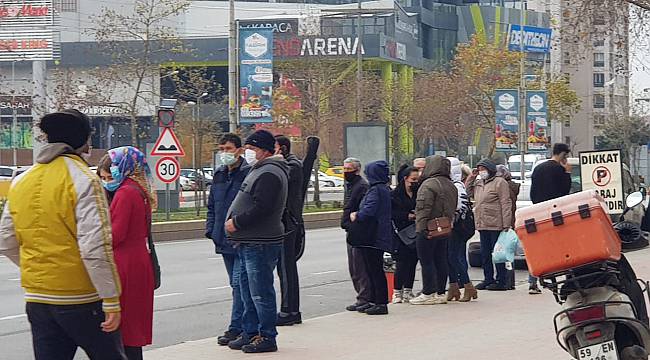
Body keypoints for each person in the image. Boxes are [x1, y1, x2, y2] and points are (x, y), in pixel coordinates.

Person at [0, 109, 126, 359]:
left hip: (37, 298)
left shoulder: (21, 181)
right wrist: (110, 299)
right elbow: (95, 247)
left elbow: (5, 241)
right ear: (84, 141)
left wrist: (38, 270)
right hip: (81, 298)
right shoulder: (84, 180)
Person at [225, 130, 288, 353]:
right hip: (248, 242)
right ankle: (250, 332)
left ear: (264, 150)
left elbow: (263, 207)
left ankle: (267, 336)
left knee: (260, 292)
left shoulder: (270, 172)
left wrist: (237, 222)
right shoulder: (260, 169)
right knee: (247, 290)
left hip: (260, 241)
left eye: (252, 149)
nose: (248, 153)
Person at [97, 146, 156, 360]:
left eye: (108, 175)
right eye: (102, 177)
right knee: (133, 325)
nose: (106, 181)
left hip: (124, 263)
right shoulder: (138, 189)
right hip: (138, 260)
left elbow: (115, 234)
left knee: (123, 326)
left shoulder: (125, 193)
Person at [205, 133, 250, 346]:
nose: (224, 153)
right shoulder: (219, 174)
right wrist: (211, 231)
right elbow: (212, 206)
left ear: (239, 150)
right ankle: (241, 326)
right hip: (222, 239)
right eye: (221, 148)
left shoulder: (248, 173)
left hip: (241, 238)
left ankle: (238, 328)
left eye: (229, 148)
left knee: (240, 283)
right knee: (236, 285)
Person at [410, 156, 458, 305]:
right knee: (441, 259)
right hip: (444, 228)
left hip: (429, 228)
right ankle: (440, 292)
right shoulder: (451, 185)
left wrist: (421, 228)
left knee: (427, 261)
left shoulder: (428, 184)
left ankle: (428, 292)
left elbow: (424, 209)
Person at [349, 160, 392, 315]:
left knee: (374, 269)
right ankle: (375, 301)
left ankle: (380, 302)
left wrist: (356, 215)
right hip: (378, 234)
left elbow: (369, 210)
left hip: (373, 235)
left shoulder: (376, 190)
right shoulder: (383, 188)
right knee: (372, 268)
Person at [528, 143, 572, 294]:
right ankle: (566, 278)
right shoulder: (559, 170)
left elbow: (533, 193)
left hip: (539, 212)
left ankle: (533, 282)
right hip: (556, 213)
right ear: (562, 155)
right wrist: (567, 173)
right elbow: (565, 192)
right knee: (562, 247)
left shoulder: (538, 168)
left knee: (539, 248)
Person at [274, 135, 304, 326]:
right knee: (284, 268)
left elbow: (282, 177)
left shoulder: (292, 166)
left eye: (274, 147)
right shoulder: (290, 164)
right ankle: (291, 309)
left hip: (288, 222)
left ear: (282, 148)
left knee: (286, 269)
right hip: (285, 221)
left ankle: (289, 310)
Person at [473, 159, 512, 291]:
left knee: (498, 254)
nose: (481, 172)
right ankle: (488, 278)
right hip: (482, 223)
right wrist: (472, 176)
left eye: (483, 169)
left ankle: (501, 280)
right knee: (485, 254)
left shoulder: (499, 183)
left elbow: (506, 203)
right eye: (479, 170)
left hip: (496, 224)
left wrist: (506, 224)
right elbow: (468, 192)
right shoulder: (478, 183)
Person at [340, 157, 372, 312]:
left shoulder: (361, 186)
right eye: (344, 169)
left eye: (349, 169)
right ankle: (361, 296)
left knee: (359, 267)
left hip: (358, 230)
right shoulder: (350, 185)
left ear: (357, 170)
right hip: (350, 229)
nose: (346, 172)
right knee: (353, 267)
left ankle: (364, 297)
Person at [446, 157, 477, 302]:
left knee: (454, 257)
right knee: (450, 257)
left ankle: (467, 285)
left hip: (456, 227)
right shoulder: (455, 184)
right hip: (455, 226)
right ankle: (454, 288)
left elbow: (458, 207)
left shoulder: (456, 186)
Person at [390, 165, 420, 304]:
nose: (415, 182)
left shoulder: (418, 193)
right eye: (413, 179)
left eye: (417, 179)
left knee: (412, 262)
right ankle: (397, 292)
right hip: (401, 233)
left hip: (416, 231)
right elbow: (391, 214)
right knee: (401, 263)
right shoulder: (395, 195)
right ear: (405, 179)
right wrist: (407, 216)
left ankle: (408, 290)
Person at [496, 164, 520, 291]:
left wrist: (506, 223)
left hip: (506, 224)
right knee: (508, 254)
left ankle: (507, 281)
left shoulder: (505, 186)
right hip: (511, 222)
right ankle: (510, 281)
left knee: (505, 254)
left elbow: (505, 205)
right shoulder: (512, 186)